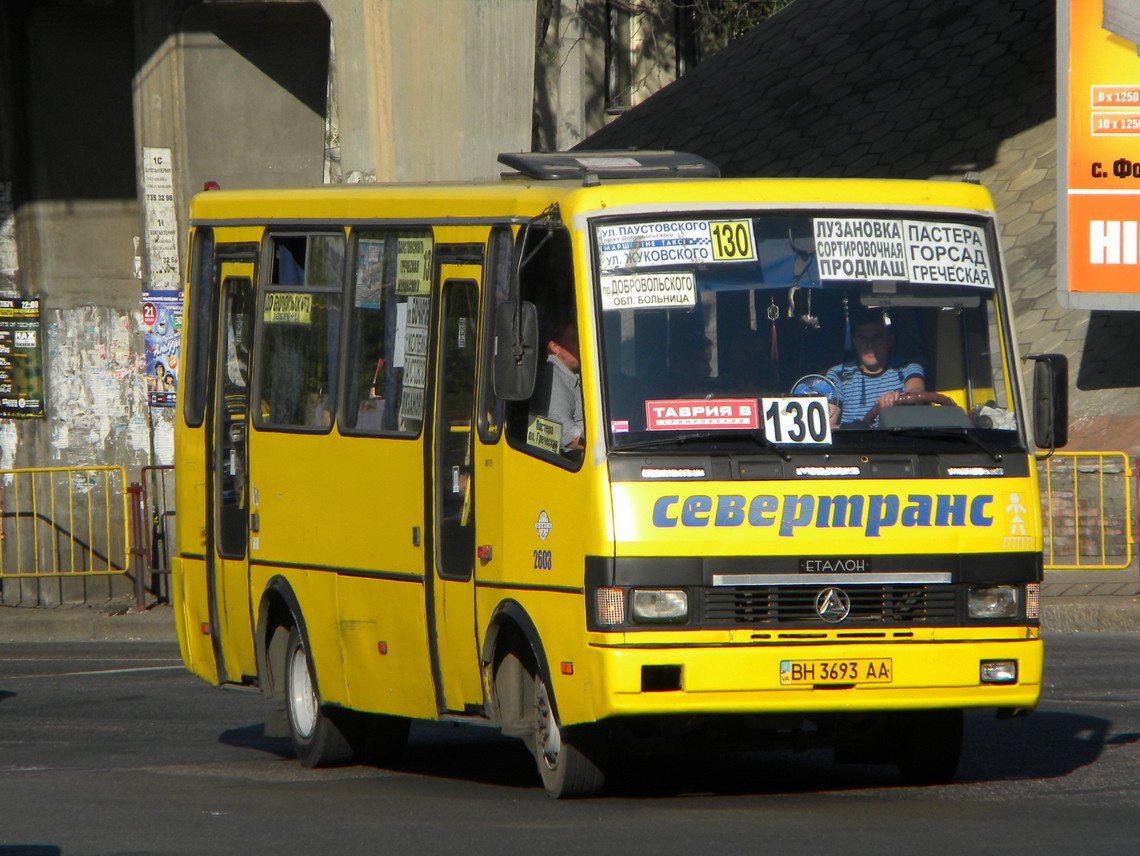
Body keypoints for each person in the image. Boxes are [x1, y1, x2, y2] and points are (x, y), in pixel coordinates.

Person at [825, 310, 924, 426]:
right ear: (854, 341)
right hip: (851, 443)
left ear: (889, 340)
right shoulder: (837, 374)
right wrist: (853, 429)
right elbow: (827, 427)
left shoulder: (907, 368)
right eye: (863, 338)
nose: (870, 345)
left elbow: (917, 392)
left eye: (876, 337)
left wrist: (900, 399)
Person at [542, 324, 584, 451]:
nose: (581, 344)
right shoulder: (552, 375)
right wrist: (601, 444)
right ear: (554, 347)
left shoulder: (574, 374)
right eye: (574, 339)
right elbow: (565, 433)